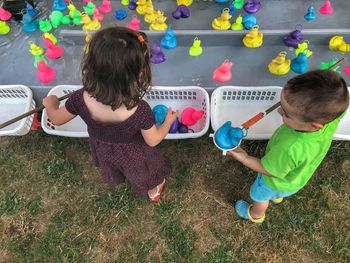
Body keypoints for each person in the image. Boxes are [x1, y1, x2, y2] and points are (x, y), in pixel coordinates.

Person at [43, 27, 178, 202]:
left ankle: (120, 177)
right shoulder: (140, 110)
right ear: (139, 75)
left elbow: (56, 119)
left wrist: (50, 104)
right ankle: (153, 189)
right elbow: (153, 140)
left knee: (114, 166)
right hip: (134, 155)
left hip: (104, 149)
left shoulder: (79, 98)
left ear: (90, 66)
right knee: (141, 173)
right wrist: (168, 121)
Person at [229, 69, 349, 223]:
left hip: (274, 181)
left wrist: (244, 158)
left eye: (286, 114)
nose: (279, 111)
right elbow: (337, 101)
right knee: (280, 186)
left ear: (314, 126)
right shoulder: (330, 119)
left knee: (259, 196)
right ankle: (277, 196)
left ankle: (255, 214)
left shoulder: (290, 147)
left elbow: (269, 170)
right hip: (295, 179)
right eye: (282, 106)